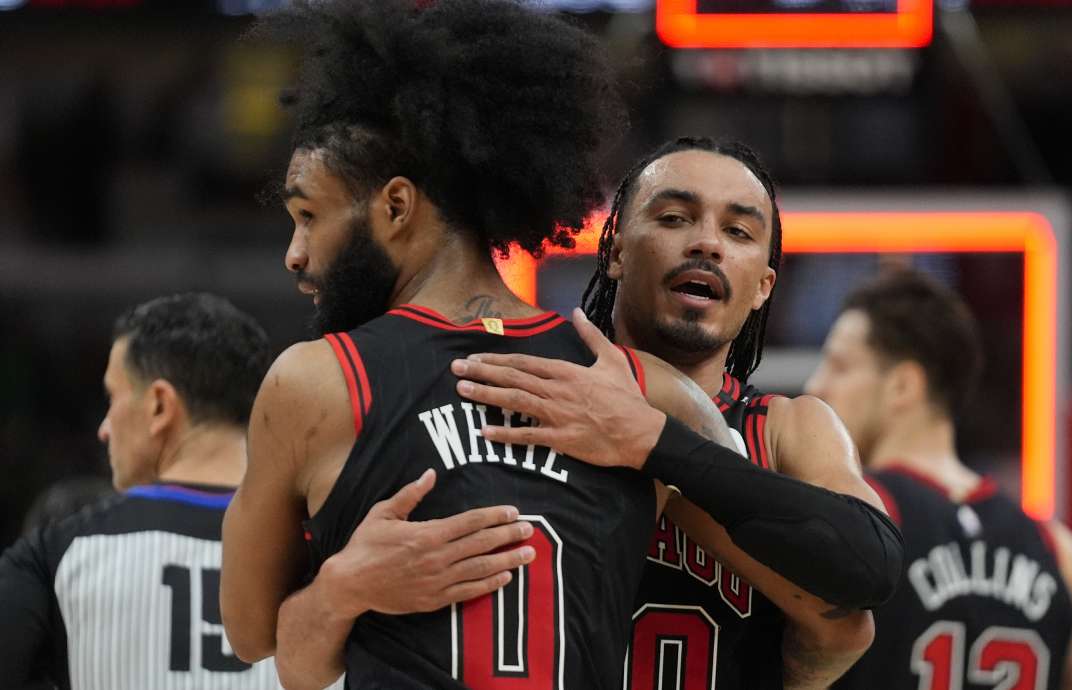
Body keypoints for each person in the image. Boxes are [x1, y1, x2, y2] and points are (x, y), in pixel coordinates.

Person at [219, 3, 747, 690]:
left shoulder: (315, 382)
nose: (294, 256)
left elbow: (250, 634)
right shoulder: (645, 390)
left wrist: (339, 590)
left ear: (397, 207)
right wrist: (346, 586)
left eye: (308, 217)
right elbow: (828, 606)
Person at [452, 137, 905, 688]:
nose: (707, 243)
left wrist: (653, 445)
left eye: (738, 232)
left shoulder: (787, 428)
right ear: (616, 252)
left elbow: (871, 568)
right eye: (674, 218)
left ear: (763, 287)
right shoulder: (532, 389)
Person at [805, 269, 1072, 690]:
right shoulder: (1057, 550)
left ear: (903, 386)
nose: (816, 385)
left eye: (839, 366)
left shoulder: (857, 510)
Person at [0, 292, 282, 689]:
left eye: (112, 397)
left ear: (159, 407)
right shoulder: (335, 553)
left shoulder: (57, 553)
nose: (104, 427)